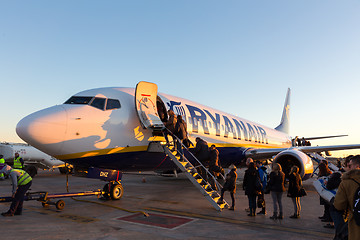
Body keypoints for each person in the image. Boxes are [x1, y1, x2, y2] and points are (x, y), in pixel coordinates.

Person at [334, 155, 360, 240]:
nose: (348, 167)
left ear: (357, 167)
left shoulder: (347, 182)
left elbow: (339, 205)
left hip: (356, 226)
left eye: (350, 165)